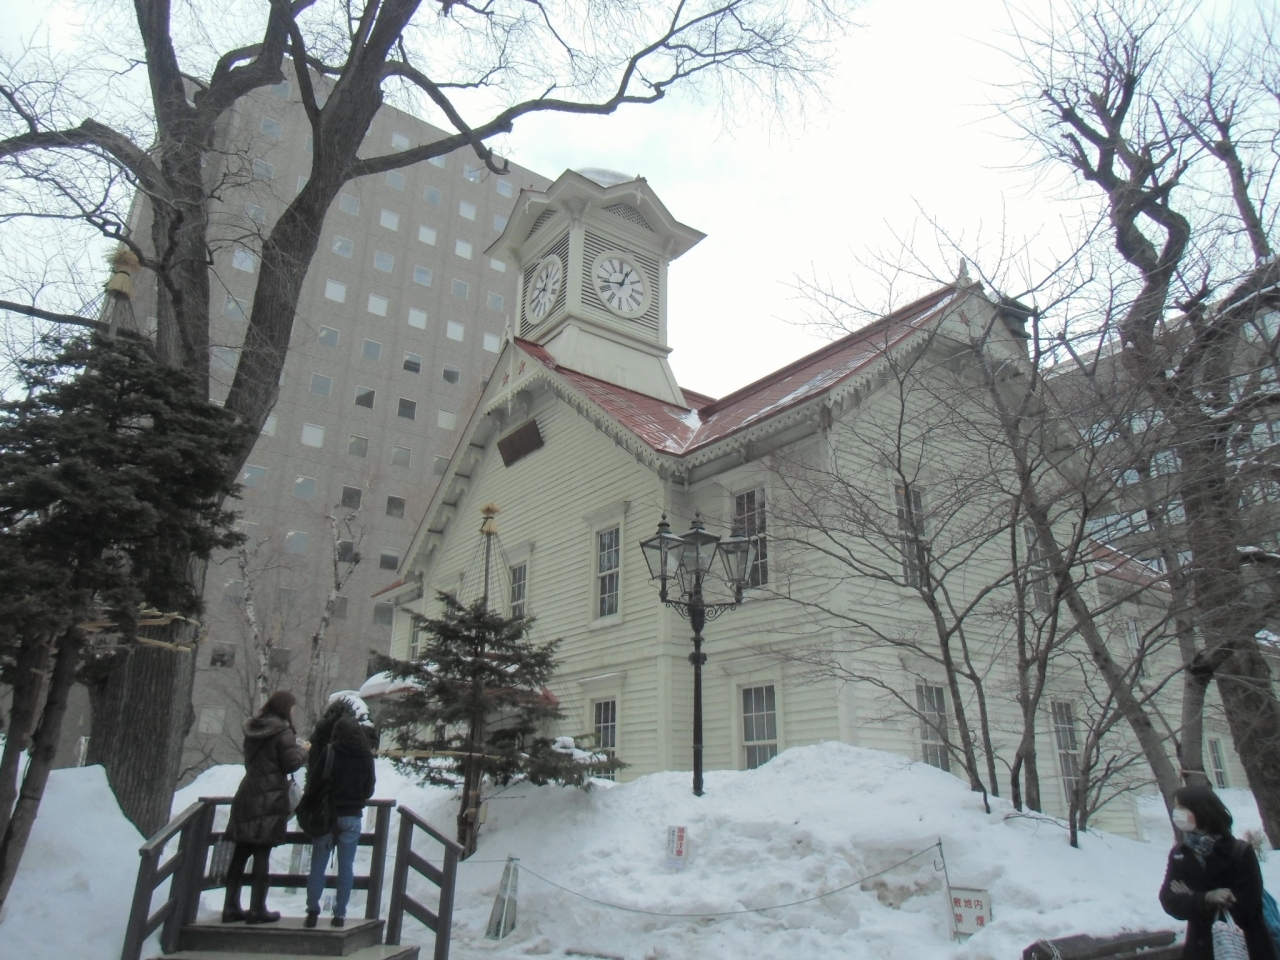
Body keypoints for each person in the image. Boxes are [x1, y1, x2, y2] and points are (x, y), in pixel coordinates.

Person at [1159, 785, 1279, 959]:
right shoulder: (1180, 854)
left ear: (1200, 809)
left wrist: (1192, 897)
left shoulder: (1240, 851)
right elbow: (1169, 901)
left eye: (1182, 807)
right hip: (1201, 948)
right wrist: (1207, 898)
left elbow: (1248, 905)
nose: (1176, 813)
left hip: (1246, 947)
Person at [223, 690, 309, 924]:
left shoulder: (254, 730)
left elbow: (251, 762)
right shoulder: (284, 732)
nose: (293, 712)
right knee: (262, 853)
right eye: (292, 708)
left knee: (241, 852)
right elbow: (290, 764)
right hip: (270, 798)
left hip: (248, 792)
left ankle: (230, 907)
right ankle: (257, 909)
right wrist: (304, 752)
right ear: (285, 708)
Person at [305, 716, 376, 928]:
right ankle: (340, 914)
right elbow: (369, 789)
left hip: (327, 814)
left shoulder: (330, 752)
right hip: (352, 815)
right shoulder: (366, 756)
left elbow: (315, 782)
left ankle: (312, 912)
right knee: (346, 867)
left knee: (318, 864)